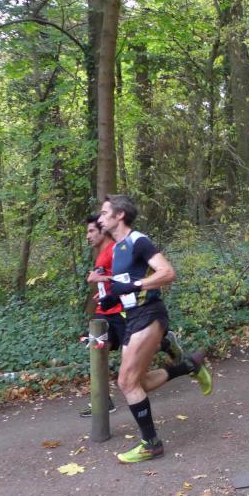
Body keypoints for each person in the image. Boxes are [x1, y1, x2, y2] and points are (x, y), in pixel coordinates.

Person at [96, 195, 212, 463]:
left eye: (104, 213)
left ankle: (151, 444)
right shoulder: (117, 248)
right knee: (139, 382)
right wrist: (115, 296)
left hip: (149, 314)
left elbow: (167, 273)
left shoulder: (138, 241)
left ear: (119, 215)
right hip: (133, 316)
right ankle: (189, 366)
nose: (100, 218)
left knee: (126, 382)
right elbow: (129, 283)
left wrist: (135, 286)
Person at [79, 215, 186, 417]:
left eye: (92, 231)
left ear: (103, 230)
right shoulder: (102, 254)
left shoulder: (117, 248)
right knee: (98, 351)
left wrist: (103, 279)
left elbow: (130, 277)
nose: (88, 236)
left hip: (122, 310)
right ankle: (103, 400)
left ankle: (164, 345)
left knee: (131, 368)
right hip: (105, 311)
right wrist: (104, 292)